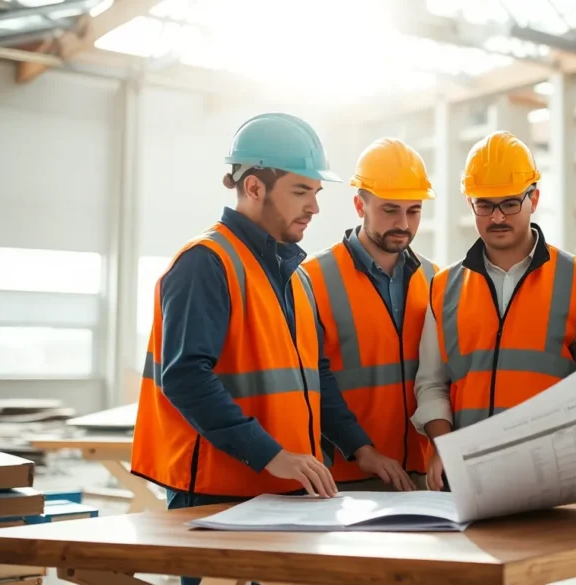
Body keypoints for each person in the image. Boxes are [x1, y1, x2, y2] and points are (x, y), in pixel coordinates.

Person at [131, 113, 404, 584]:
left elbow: (316, 375)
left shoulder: (295, 276)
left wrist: (360, 448)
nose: (314, 207)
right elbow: (185, 377)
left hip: (283, 494)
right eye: (301, 191)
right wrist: (271, 454)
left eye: (316, 193)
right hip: (218, 496)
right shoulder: (205, 263)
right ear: (254, 187)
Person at [411, 130, 576, 491]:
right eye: (484, 205)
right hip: (468, 477)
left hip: (553, 479)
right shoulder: (443, 287)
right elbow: (432, 384)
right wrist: (443, 448)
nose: (497, 217)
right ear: (470, 204)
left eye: (510, 203)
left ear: (534, 199)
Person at [300, 137, 439, 492]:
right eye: (390, 210)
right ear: (359, 205)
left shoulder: (435, 279)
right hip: (343, 478)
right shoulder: (310, 279)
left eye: (414, 211)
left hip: (421, 476)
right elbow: (313, 380)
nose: (403, 223)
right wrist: (361, 449)